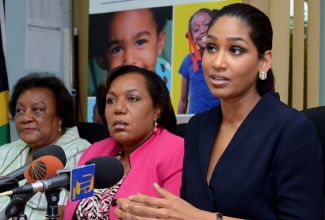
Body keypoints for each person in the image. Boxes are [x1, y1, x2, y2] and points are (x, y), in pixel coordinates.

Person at [114, 3, 323, 219]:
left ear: (264, 62)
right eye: (211, 48)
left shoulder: (292, 130)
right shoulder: (197, 127)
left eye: (235, 50)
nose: (217, 62)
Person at [64, 65, 184, 220]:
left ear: (157, 110)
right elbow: (70, 210)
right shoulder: (94, 151)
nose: (118, 108)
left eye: (132, 99)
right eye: (111, 100)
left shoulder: (176, 151)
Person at [0, 73, 90, 219]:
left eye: (37, 109)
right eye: (19, 111)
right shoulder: (6, 150)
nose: (25, 118)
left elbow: (67, 214)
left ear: (60, 117)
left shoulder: (81, 153)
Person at [88, 7, 172, 96]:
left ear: (159, 42)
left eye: (140, 42)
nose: (130, 60)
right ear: (102, 61)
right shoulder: (103, 98)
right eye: (117, 49)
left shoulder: (169, 75)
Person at [178, 8, 220, 114]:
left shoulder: (224, 58)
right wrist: (178, 128)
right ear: (192, 38)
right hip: (195, 122)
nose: (202, 30)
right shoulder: (188, 61)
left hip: (221, 120)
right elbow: (183, 101)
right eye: (196, 29)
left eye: (206, 24)